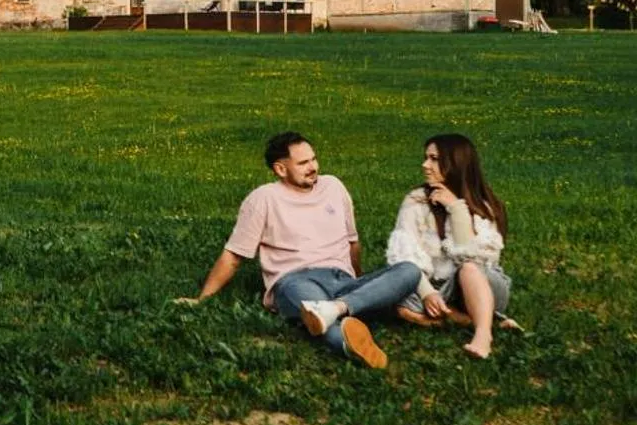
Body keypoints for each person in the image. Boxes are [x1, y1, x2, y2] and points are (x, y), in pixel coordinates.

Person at [187, 132, 419, 369]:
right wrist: (202, 299)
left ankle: (338, 308)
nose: (313, 167)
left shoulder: (334, 187)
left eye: (314, 159)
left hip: (342, 278)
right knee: (317, 319)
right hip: (296, 280)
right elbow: (233, 256)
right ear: (280, 169)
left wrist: (360, 283)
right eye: (303, 163)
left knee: (410, 271)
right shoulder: (263, 199)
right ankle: (350, 339)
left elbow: (353, 242)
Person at [385, 133, 515, 360]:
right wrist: (427, 294)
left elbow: (472, 257)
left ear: (455, 164)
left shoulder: (484, 205)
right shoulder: (416, 200)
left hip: (482, 284)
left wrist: (457, 209)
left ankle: (483, 335)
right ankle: (473, 319)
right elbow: (405, 257)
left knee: (469, 268)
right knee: (395, 296)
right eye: (426, 158)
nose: (425, 165)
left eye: (434, 159)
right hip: (440, 288)